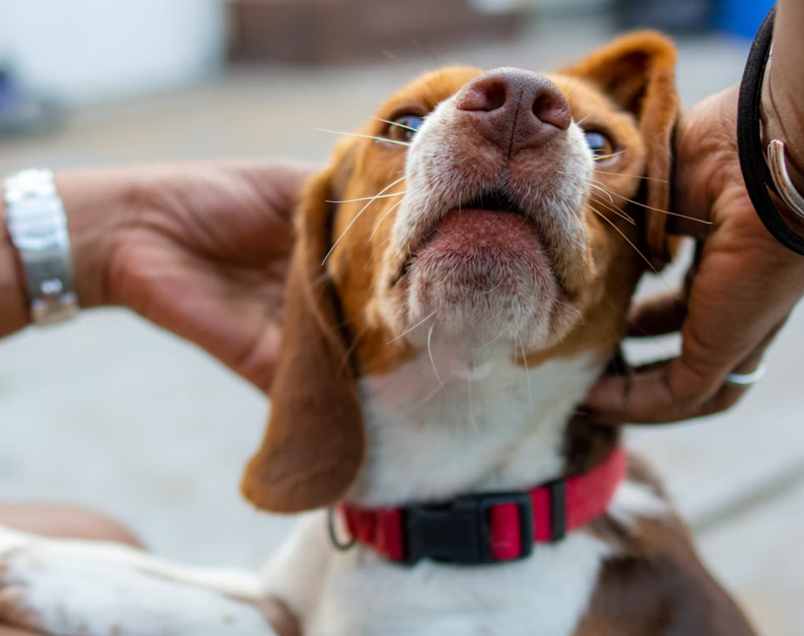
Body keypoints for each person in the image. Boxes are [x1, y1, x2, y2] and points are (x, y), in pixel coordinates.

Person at [2, 2, 804, 633]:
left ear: (644, 252)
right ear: (327, 254)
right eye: (408, 127)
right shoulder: (358, 527)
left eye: (599, 146)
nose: (516, 108)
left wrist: (780, 150)